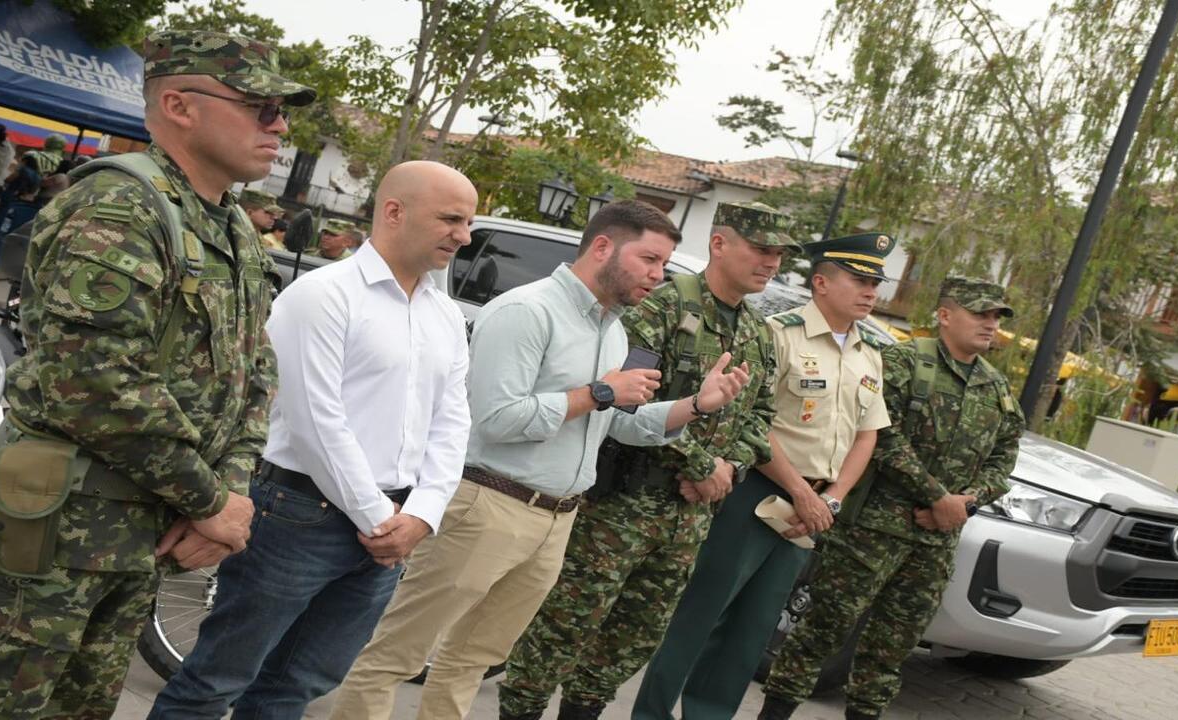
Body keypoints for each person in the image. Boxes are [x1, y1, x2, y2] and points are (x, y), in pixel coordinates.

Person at [0, 29, 315, 718]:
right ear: (181, 106)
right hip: (56, 531)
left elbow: (254, 376)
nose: (279, 126)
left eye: (282, 110)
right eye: (260, 106)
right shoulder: (118, 205)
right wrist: (211, 503)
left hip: (142, 535)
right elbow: (95, 380)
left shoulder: (233, 230)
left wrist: (224, 493)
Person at [330, 200, 751, 720]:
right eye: (649, 259)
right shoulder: (526, 311)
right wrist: (598, 392)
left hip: (555, 519)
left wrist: (694, 406)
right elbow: (497, 418)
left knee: (472, 659)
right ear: (603, 247)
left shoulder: (612, 328)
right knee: (397, 654)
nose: (658, 275)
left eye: (664, 264)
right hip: (487, 504)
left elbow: (613, 422)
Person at [149, 161, 476, 718]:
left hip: (390, 527)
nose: (463, 236)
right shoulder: (323, 295)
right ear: (394, 211)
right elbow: (314, 420)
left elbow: (452, 421)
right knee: (214, 683)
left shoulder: (444, 316)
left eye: (467, 223)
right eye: (451, 219)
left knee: (299, 687)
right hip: (301, 515)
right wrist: (380, 519)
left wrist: (423, 512)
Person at [497, 201, 796, 720]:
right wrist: (702, 464)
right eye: (761, 249)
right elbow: (622, 400)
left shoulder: (759, 332)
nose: (771, 262)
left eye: (779, 255)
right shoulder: (658, 308)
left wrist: (728, 468)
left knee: (628, 642)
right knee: (563, 627)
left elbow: (760, 412)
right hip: (621, 505)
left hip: (687, 521)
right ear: (720, 244)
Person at [634, 232, 898, 720]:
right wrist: (801, 492)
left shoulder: (870, 351)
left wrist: (831, 499)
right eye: (860, 280)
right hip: (756, 491)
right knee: (701, 613)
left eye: (875, 283)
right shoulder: (779, 333)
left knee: (752, 630)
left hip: (811, 511)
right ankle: (650, 713)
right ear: (821, 282)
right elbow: (751, 419)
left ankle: (708, 714)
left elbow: (868, 435)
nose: (871, 292)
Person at [758, 275, 1026, 720]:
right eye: (980, 313)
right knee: (821, 633)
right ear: (944, 315)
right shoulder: (902, 361)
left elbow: (1004, 458)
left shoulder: (996, 388)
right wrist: (937, 496)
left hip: (935, 544)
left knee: (891, 649)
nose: (990, 324)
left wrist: (965, 504)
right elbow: (882, 436)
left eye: (996, 316)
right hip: (870, 533)